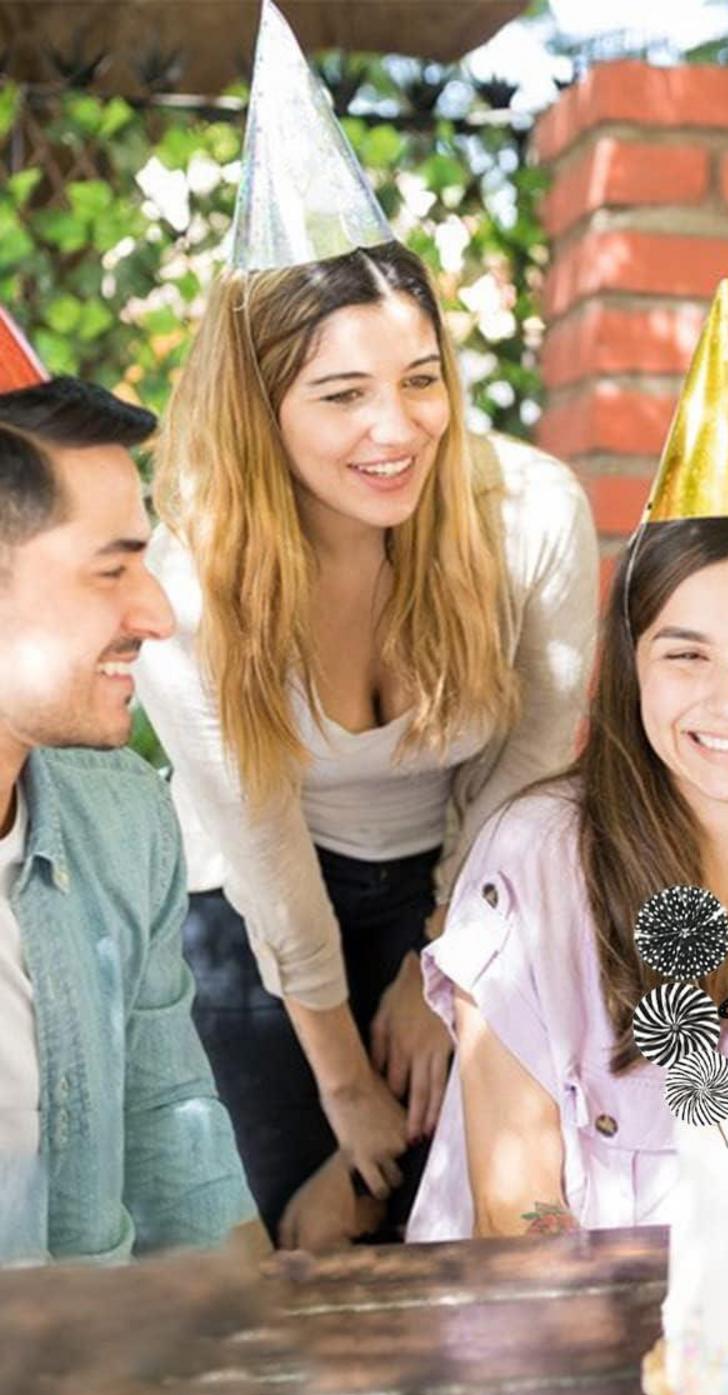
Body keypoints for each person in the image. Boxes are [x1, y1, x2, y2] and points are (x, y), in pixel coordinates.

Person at [136, 1, 596, 1250]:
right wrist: (345, 1074)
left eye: (420, 380)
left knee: (456, 1227)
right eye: (342, 395)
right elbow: (264, 841)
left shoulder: (531, 518)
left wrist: (438, 962)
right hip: (255, 912)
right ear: (263, 410)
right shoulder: (193, 585)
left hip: (466, 875)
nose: (395, 430)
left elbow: (534, 759)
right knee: (311, 1227)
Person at [408, 282, 728, 1241]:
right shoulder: (538, 860)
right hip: (558, 1355)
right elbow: (518, 1209)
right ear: (632, 664)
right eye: (687, 652)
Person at [0, 328, 262, 1262]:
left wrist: (261, 1361)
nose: (156, 613)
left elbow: (171, 1126)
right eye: (112, 568)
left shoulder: (124, 819)